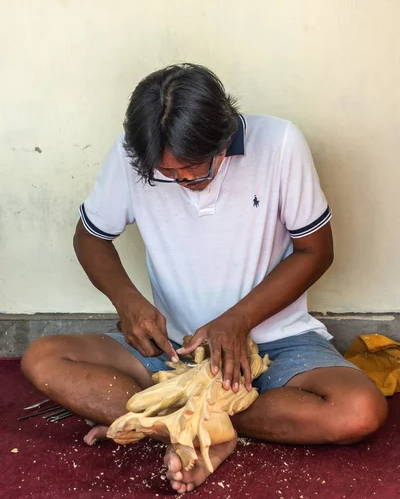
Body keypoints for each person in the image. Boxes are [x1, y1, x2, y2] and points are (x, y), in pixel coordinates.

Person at [22, 64, 387, 494]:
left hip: (277, 341)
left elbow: (316, 251)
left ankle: (165, 421)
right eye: (167, 175)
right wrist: (128, 302)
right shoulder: (132, 152)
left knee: (358, 411)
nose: (183, 182)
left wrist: (236, 321)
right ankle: (199, 426)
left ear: (225, 136)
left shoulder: (280, 143)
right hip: (174, 350)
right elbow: (90, 237)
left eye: (195, 170)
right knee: (42, 359)